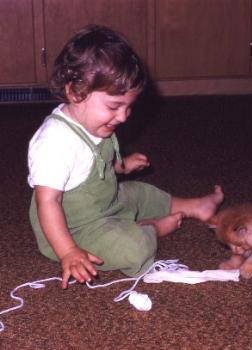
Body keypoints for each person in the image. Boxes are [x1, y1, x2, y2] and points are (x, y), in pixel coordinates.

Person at [28, 24, 224, 289]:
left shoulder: (96, 122)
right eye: (114, 106)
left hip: (105, 201)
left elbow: (95, 165)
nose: (122, 117)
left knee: (140, 193)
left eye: (128, 107)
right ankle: (152, 229)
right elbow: (48, 202)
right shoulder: (53, 143)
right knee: (132, 249)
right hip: (72, 228)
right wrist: (68, 251)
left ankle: (194, 205)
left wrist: (121, 166)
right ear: (74, 92)